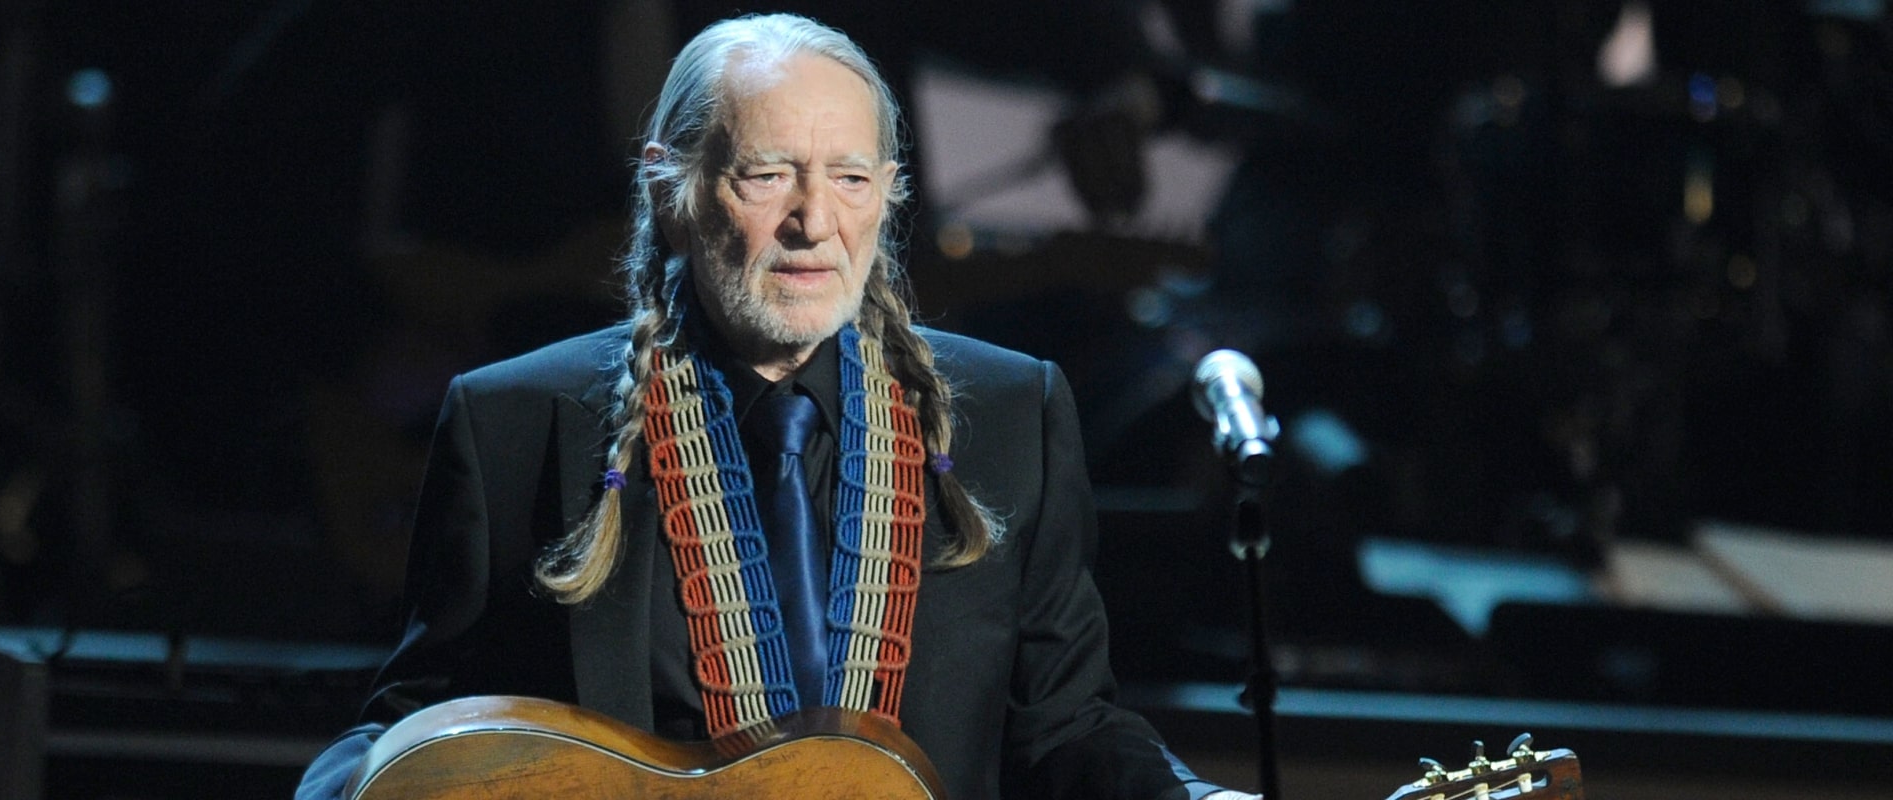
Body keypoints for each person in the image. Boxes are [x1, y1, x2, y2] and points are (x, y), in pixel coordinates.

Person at [296, 12, 1254, 800]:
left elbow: (1070, 728)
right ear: (671, 189)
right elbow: (416, 727)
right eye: (766, 174)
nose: (813, 222)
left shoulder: (1013, 416)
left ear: (888, 197)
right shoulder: (519, 423)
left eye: (849, 178)